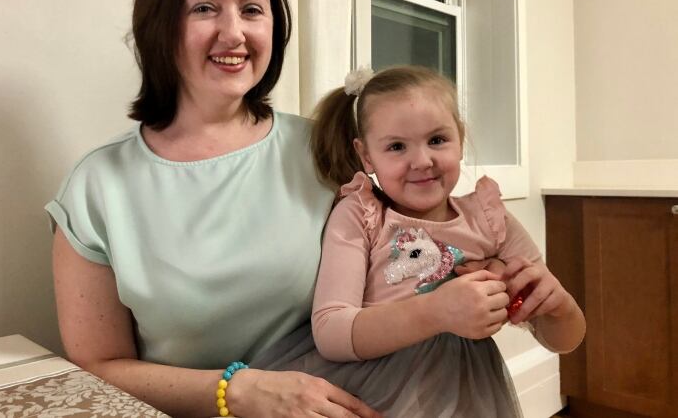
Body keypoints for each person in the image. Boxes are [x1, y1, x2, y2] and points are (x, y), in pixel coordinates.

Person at [47, 0, 383, 418]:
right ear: (161, 26)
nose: (234, 33)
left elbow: (404, 272)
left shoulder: (324, 150)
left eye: (252, 8)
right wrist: (238, 391)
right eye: (204, 8)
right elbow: (99, 364)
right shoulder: (96, 187)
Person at [249, 66, 586, 417]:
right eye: (396, 146)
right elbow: (331, 332)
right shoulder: (362, 216)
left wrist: (559, 307)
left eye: (437, 140)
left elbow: (561, 340)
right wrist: (437, 311)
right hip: (369, 395)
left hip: (466, 396)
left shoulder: (490, 222)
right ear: (366, 156)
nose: (422, 161)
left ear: (460, 137)